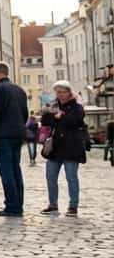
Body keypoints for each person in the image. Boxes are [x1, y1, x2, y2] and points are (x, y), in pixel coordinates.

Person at [0, 62, 28, 217]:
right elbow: (25, 113)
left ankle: (11, 205)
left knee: (6, 171)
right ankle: (18, 203)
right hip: (17, 134)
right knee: (16, 169)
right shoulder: (19, 90)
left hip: (2, 135)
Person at [40, 81, 83, 216]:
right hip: (55, 148)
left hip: (71, 147)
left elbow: (75, 121)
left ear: (69, 92)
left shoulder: (77, 107)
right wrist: (51, 114)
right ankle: (53, 205)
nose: (62, 95)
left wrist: (60, 116)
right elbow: (45, 121)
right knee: (50, 177)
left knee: (71, 178)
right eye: (59, 92)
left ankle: (73, 206)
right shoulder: (53, 105)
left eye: (64, 92)